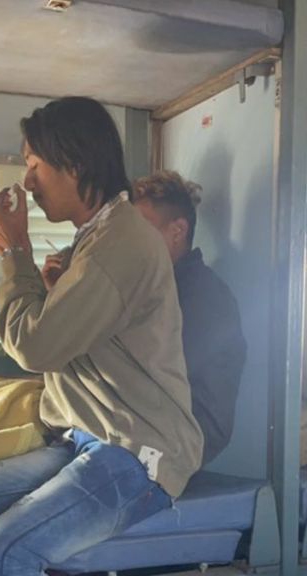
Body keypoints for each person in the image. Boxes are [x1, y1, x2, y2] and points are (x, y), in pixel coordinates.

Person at [0, 96, 203, 576]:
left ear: (74, 164)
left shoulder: (121, 242)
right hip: (82, 435)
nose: (27, 182)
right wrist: (45, 281)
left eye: (34, 164)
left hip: (136, 451)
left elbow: (36, 347)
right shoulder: (92, 238)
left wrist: (15, 251)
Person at [130, 170, 246, 465]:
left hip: (186, 438)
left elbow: (155, 373)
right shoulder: (160, 287)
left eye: (141, 229)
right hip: (153, 424)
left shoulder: (205, 298)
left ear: (177, 231)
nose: (130, 243)